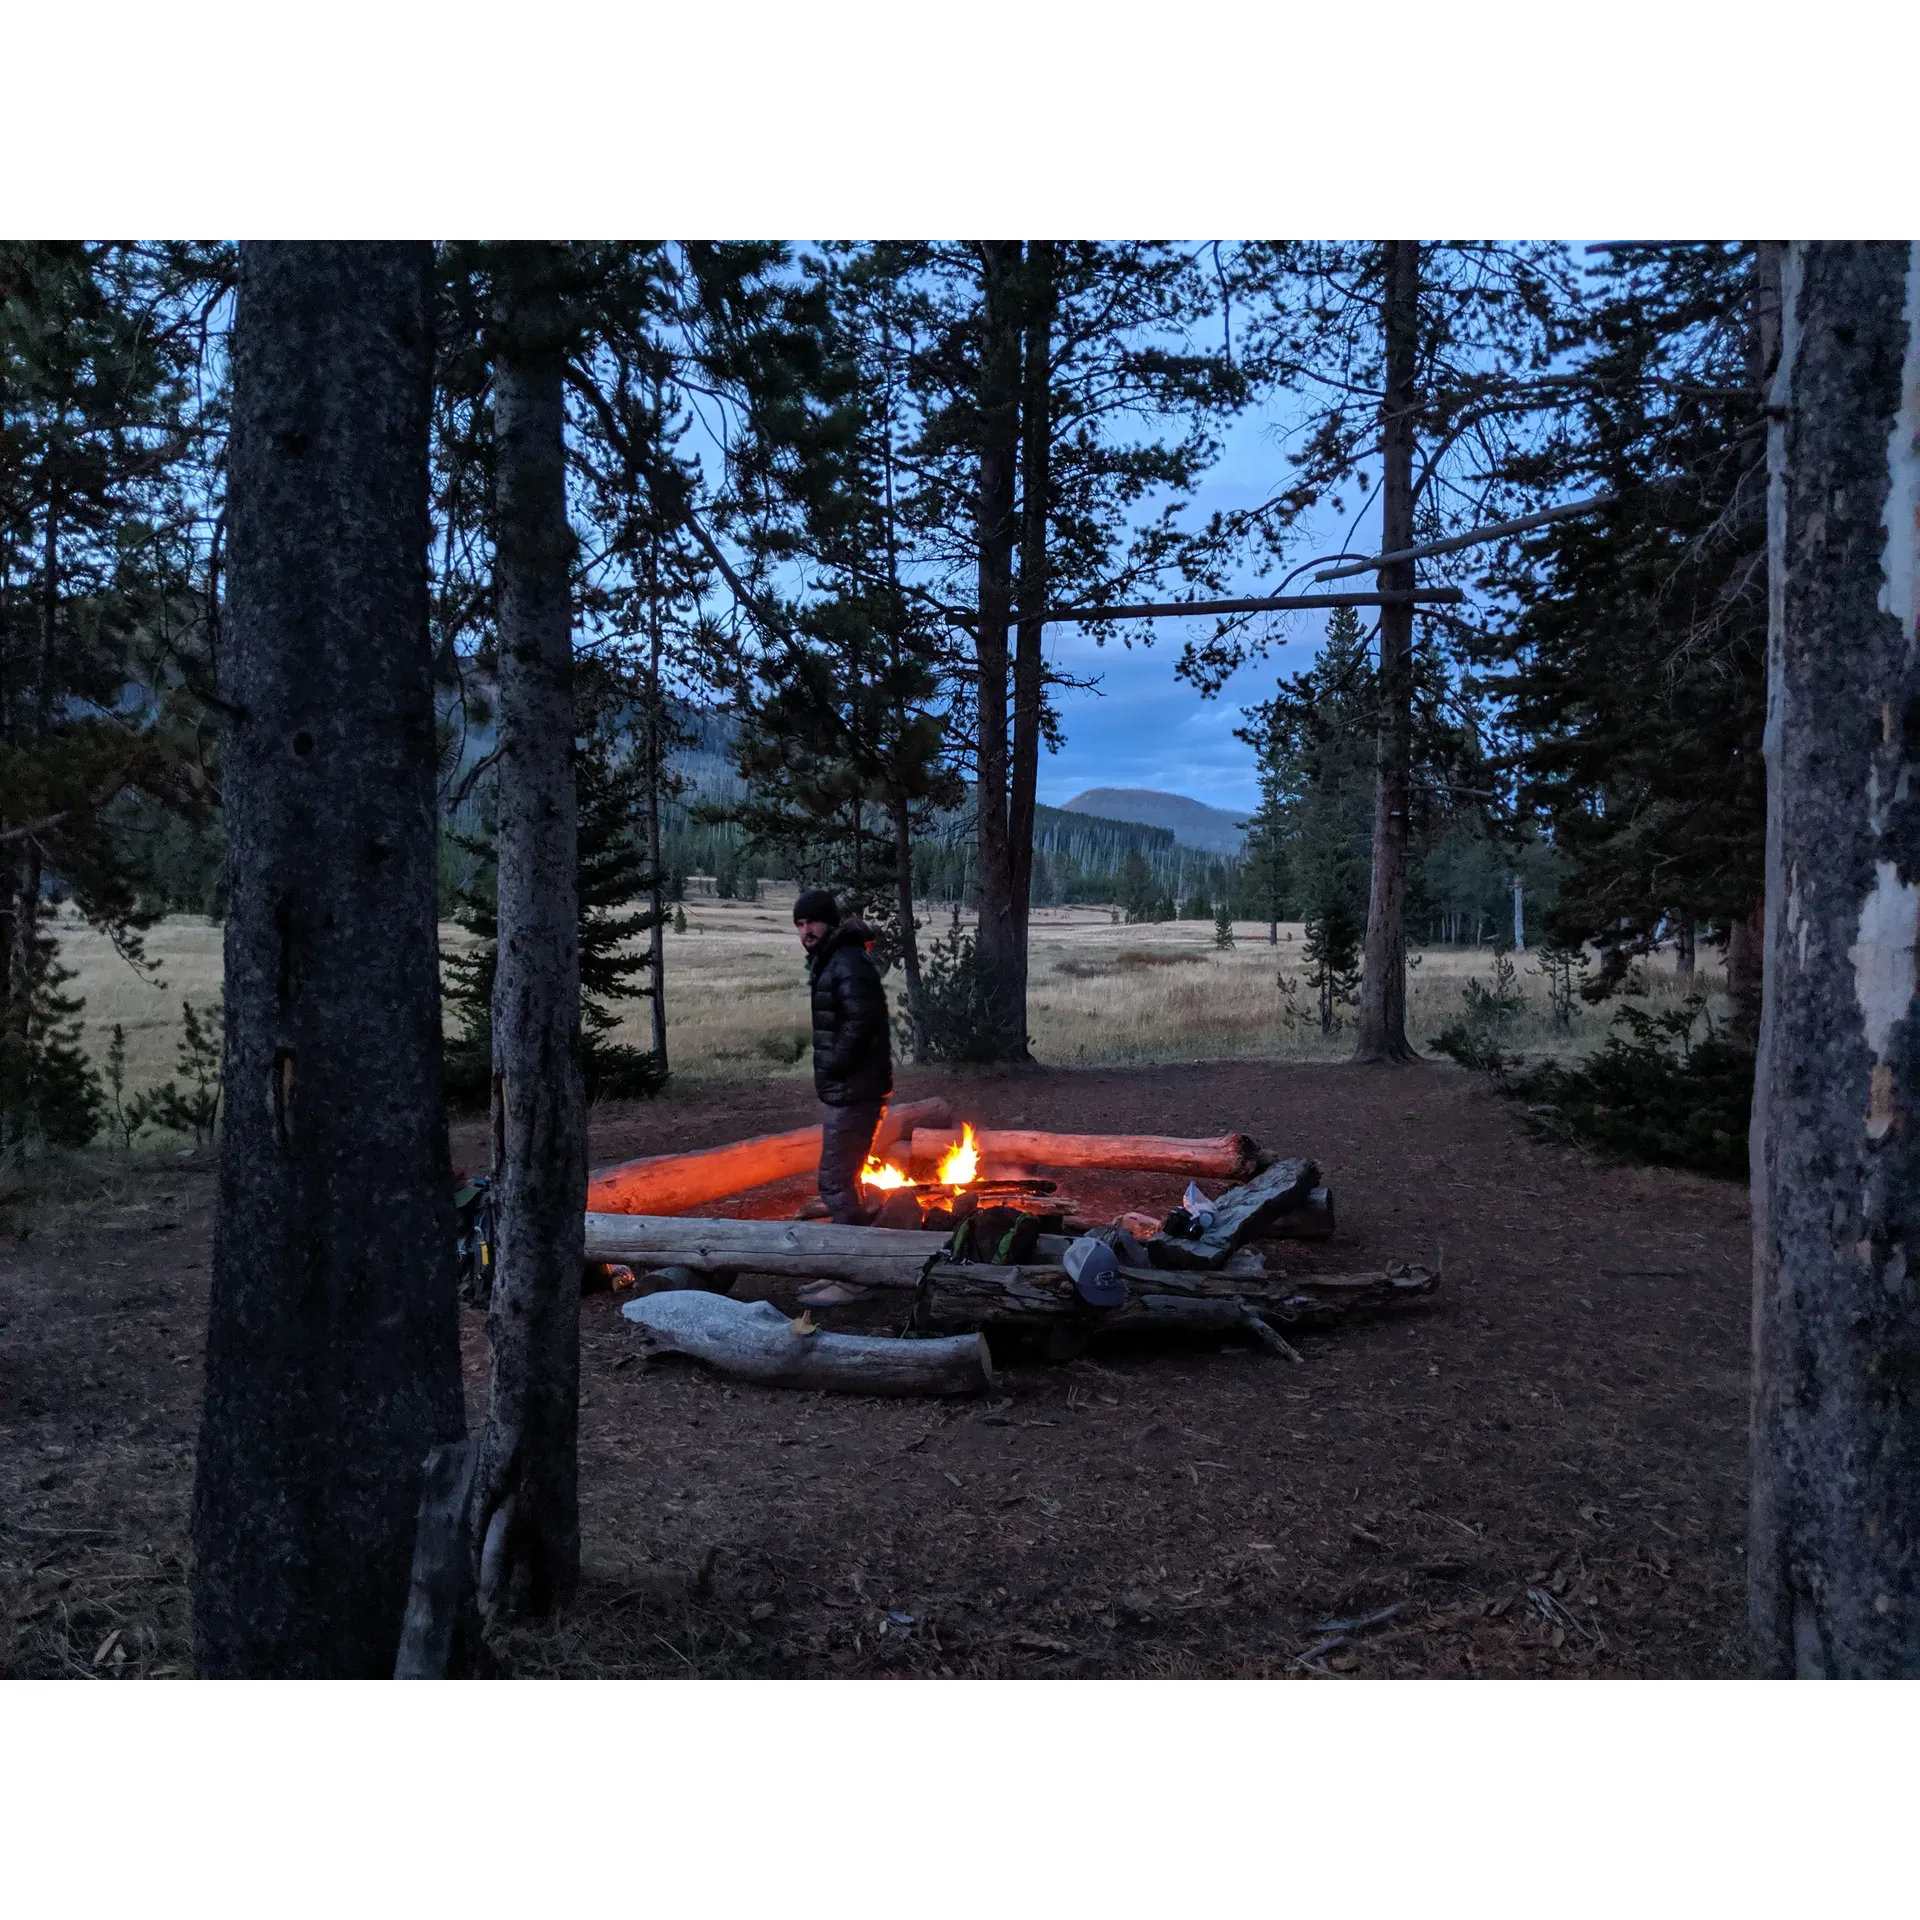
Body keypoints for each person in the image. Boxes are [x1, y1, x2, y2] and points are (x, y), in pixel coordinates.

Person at [794, 889, 893, 1225]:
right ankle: (864, 1246)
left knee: (835, 1182)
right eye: (800, 924)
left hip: (855, 1090)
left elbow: (862, 1020)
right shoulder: (835, 959)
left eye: (813, 922)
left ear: (830, 923)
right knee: (844, 1180)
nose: (806, 930)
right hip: (850, 1089)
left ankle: (850, 1257)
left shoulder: (846, 961)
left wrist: (835, 1062)